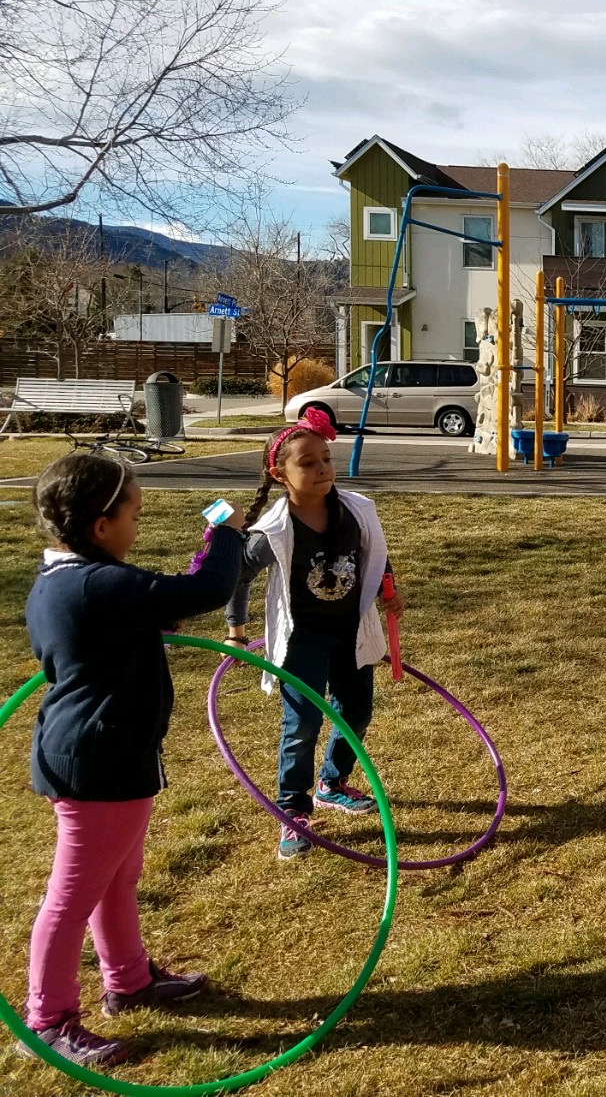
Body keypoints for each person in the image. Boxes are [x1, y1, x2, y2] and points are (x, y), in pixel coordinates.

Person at [23, 454, 244, 1066]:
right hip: (100, 759)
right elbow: (209, 588)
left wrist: (145, 619)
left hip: (98, 751)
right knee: (71, 896)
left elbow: (99, 629)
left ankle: (128, 979)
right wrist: (225, 531)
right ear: (100, 526)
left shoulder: (58, 583)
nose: (136, 526)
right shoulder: (101, 584)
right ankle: (48, 1018)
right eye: (133, 514)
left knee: (116, 878)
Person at [224, 408, 404, 860]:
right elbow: (237, 575)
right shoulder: (273, 532)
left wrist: (390, 592)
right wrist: (236, 632)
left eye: (325, 458)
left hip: (350, 630)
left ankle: (332, 782)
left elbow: (377, 554)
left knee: (357, 711)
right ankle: (293, 810)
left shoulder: (356, 511)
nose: (322, 468)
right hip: (303, 638)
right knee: (302, 723)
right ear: (279, 473)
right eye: (307, 462)